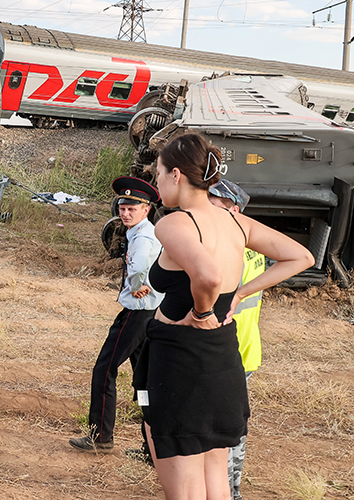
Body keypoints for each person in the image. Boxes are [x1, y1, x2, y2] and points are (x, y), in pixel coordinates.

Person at [133, 134, 313, 500]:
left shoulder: (174, 223)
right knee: (215, 474)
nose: (156, 183)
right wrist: (244, 290)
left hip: (180, 361)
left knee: (183, 485)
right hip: (223, 357)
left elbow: (208, 276)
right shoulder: (235, 222)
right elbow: (301, 257)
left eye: (159, 174)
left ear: (177, 175)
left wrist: (201, 312)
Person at [69, 177, 163, 453]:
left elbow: (139, 269)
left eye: (132, 208)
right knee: (143, 380)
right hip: (149, 315)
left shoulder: (143, 238)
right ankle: (153, 447)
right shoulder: (144, 233)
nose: (125, 213)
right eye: (122, 208)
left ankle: (101, 438)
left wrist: (136, 286)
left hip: (137, 315)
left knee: (104, 371)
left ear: (146, 210)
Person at [208, 179, 265, 500]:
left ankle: (229, 493)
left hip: (229, 353)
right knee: (232, 428)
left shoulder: (227, 247)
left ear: (234, 208)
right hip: (243, 351)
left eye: (214, 202)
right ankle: (232, 489)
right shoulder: (253, 247)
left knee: (222, 431)